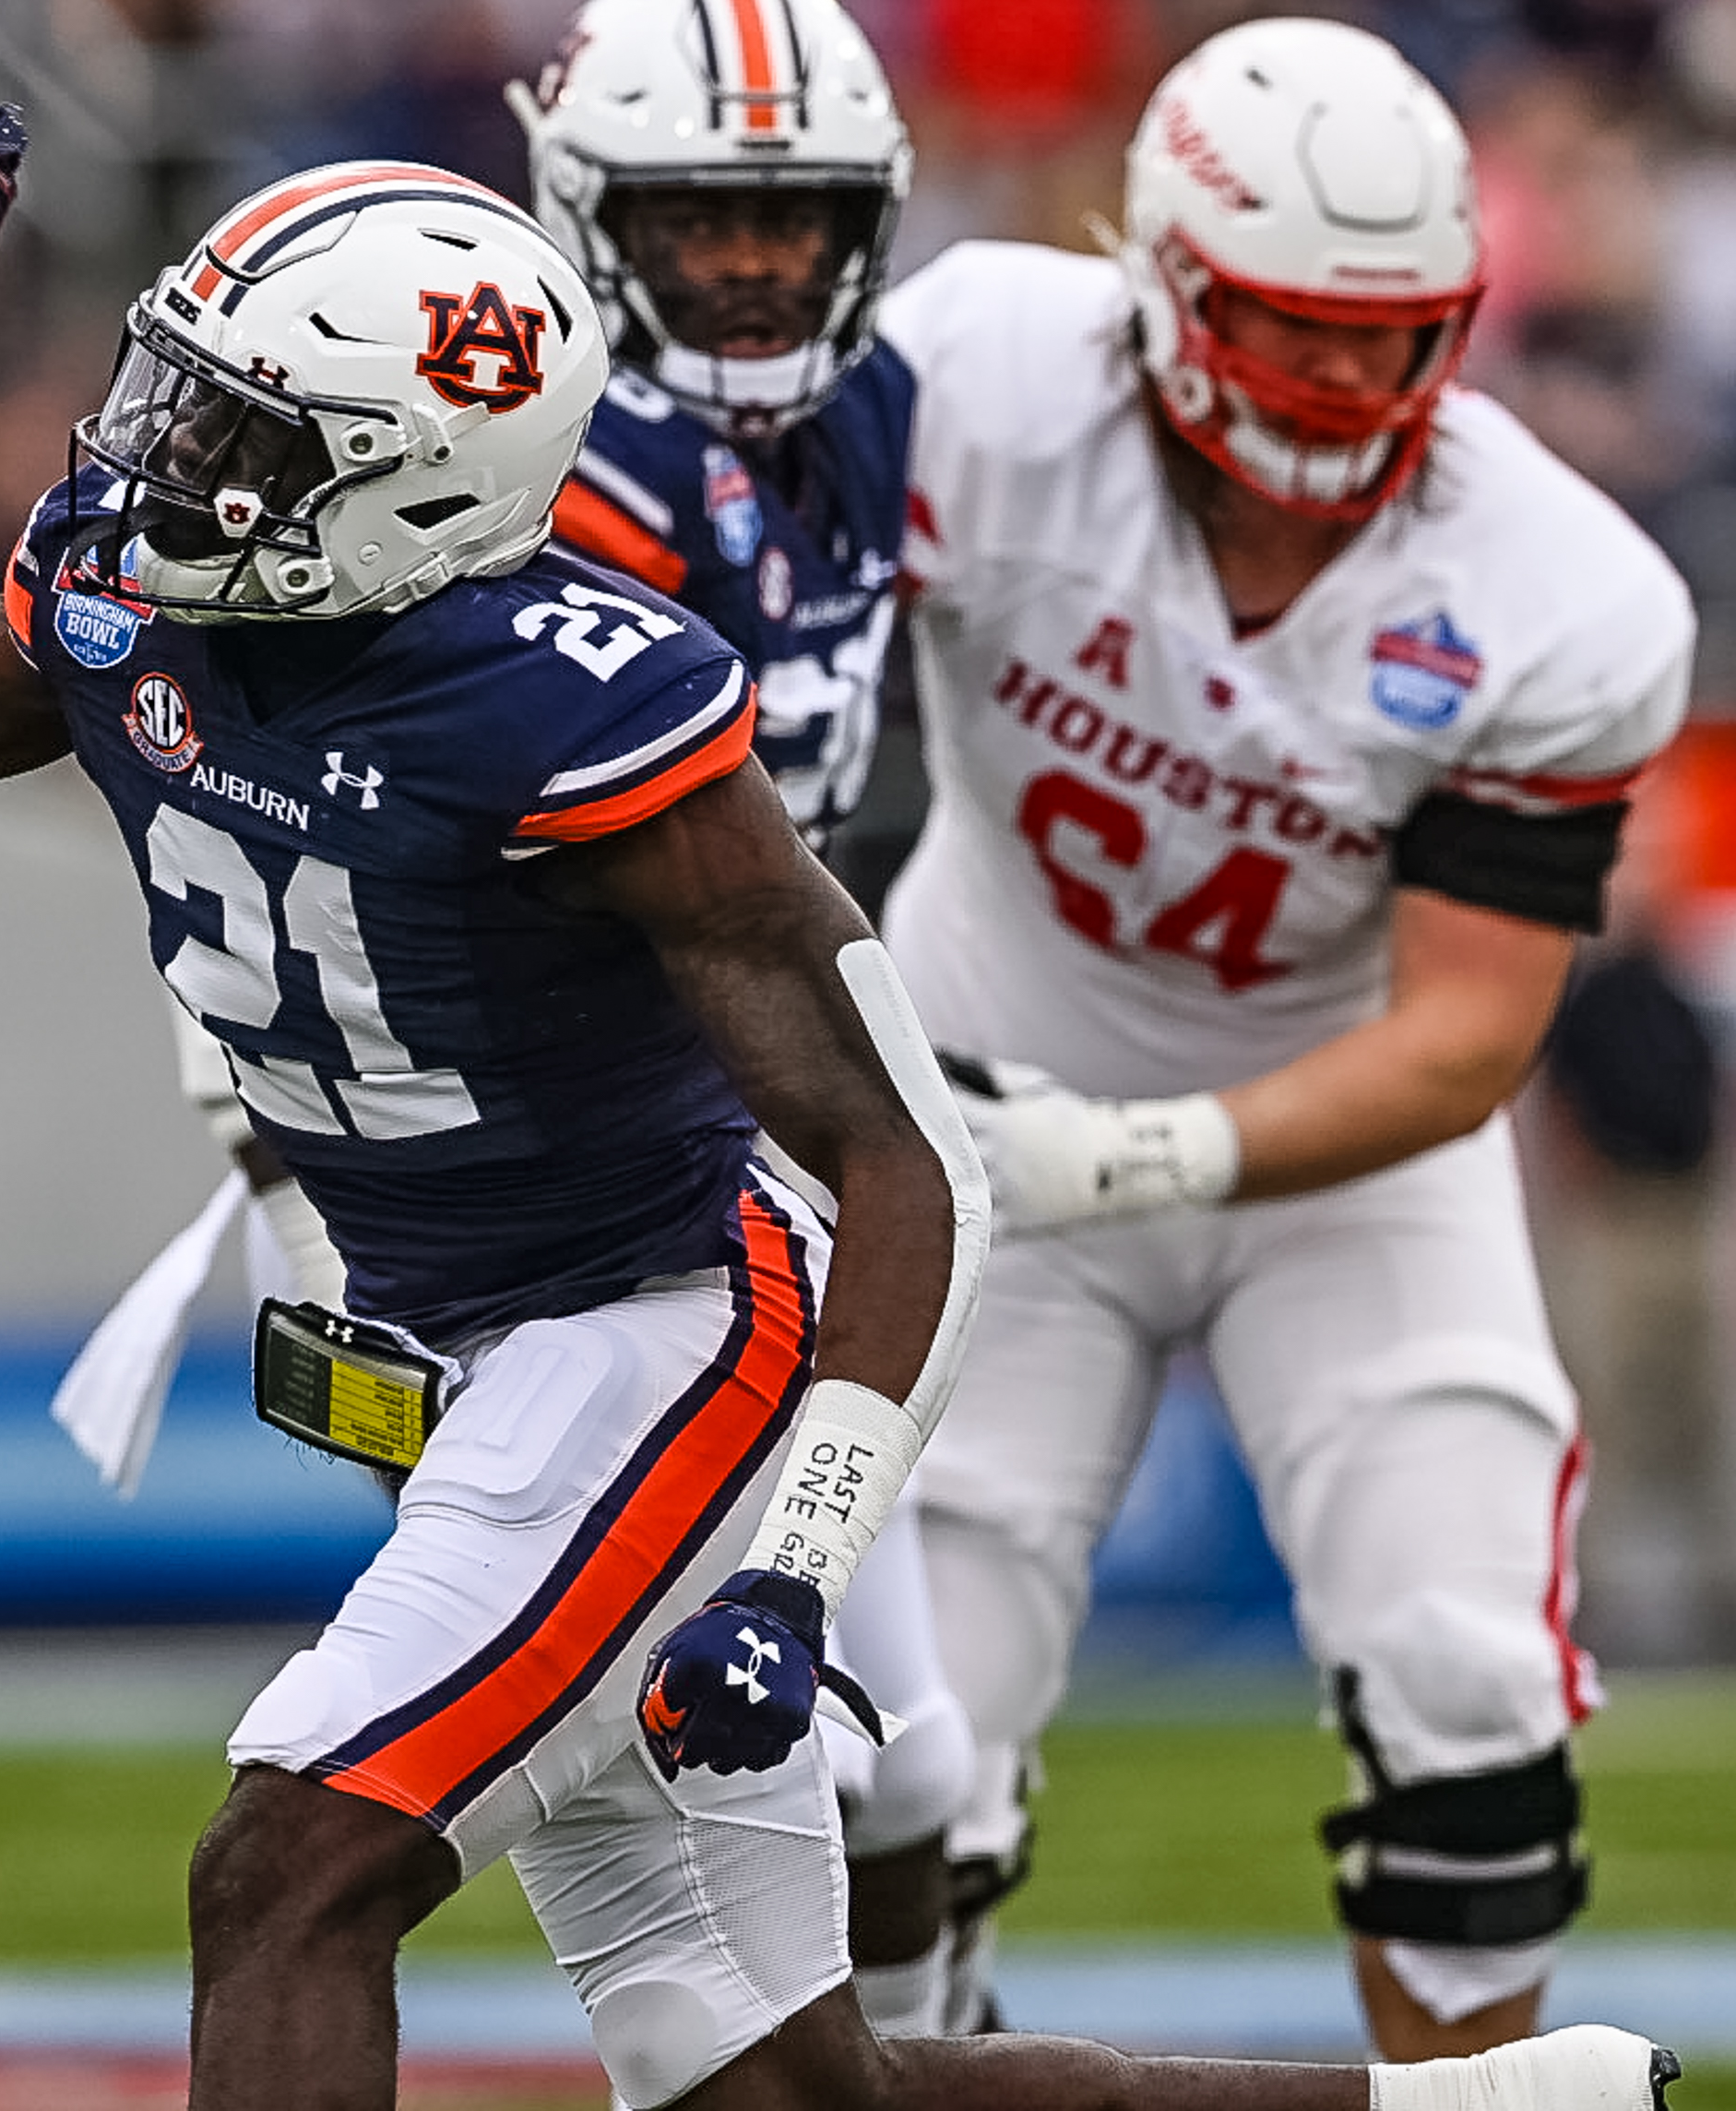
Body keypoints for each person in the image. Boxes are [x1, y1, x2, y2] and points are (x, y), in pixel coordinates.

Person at [0, 105, 1675, 2111]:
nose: (154, 466)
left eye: (237, 437)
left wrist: (797, 1567)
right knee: (782, 2091)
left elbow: (911, 1167)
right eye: (177, 402)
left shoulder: (580, 715)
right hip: (461, 1349)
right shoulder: (140, 603)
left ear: (404, 486)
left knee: (292, 1861)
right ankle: (1490, 2105)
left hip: (651, 1338)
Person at [858, 15, 1697, 2056]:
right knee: (897, 1741)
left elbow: (1468, 1031)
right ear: (1159, 274)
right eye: (1288, 324)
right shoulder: (973, 371)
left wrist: (1143, 1152)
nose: (1340, 377)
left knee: (1466, 1679)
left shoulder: (1562, 591)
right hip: (975, 1090)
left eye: (1387, 328)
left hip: (1349, 1156)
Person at [505, 0, 973, 2038]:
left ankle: (949, 2058)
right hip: (560, 1174)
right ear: (595, 211)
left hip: (776, 1128)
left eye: (796, 222)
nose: (761, 264)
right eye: (704, 221)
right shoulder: (523, 462)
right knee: (753, 1758)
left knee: (926, 1769)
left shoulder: (873, 414)